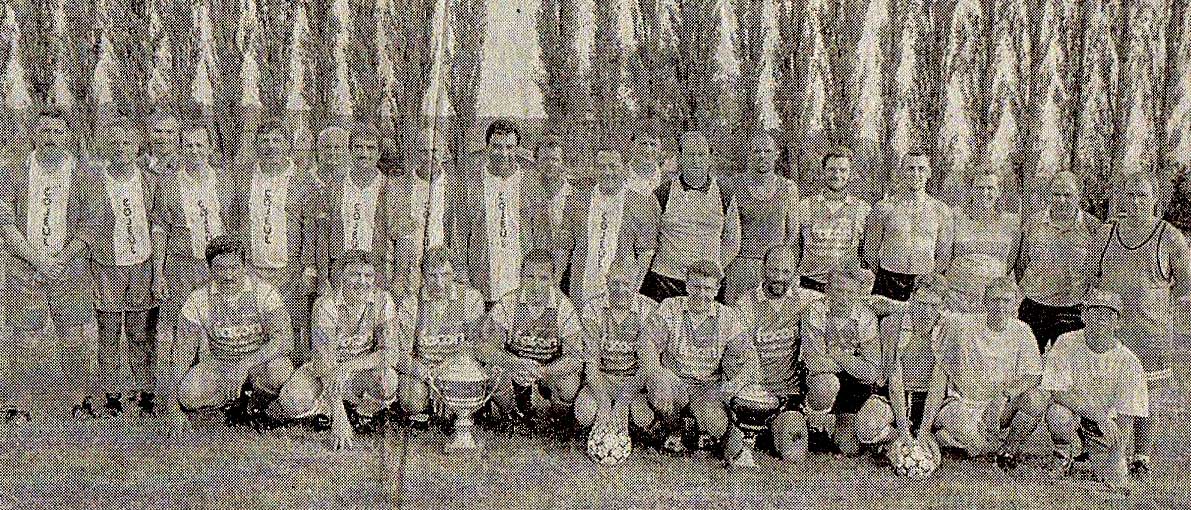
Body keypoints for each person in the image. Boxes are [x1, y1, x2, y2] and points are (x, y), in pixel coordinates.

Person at [1086, 170, 1191, 474]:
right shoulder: (1106, 233)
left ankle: (1141, 457)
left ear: (1154, 199)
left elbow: (1185, 285)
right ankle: (1107, 451)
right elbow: (1093, 277)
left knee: (1147, 394)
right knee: (1108, 390)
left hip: (1150, 333)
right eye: (1129, 195)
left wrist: (1160, 310)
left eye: (1142, 195)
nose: (1135, 202)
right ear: (1121, 198)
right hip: (1111, 330)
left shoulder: (1169, 236)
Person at [0, 108, 97, 405]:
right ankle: (19, 404)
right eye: (45, 131)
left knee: (74, 336)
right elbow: (5, 223)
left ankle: (79, 402)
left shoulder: (83, 173)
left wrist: (61, 259)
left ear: (67, 136)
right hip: (24, 270)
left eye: (57, 131)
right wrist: (38, 260)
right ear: (35, 134)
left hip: (69, 269)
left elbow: (91, 224)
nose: (50, 137)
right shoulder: (14, 170)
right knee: (24, 338)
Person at [269, 250, 399, 449]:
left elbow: (390, 353)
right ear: (341, 277)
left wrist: (349, 366)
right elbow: (324, 365)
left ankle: (362, 413)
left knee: (387, 379)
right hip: (324, 372)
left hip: (359, 371)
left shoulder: (384, 300)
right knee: (293, 400)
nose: (362, 282)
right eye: (355, 275)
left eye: (368, 275)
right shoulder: (325, 305)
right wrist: (339, 415)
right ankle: (330, 411)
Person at [169, 236, 295, 429]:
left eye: (234, 267)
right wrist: (173, 409)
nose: (228, 276)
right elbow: (181, 355)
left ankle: (256, 402)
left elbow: (285, 340)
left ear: (244, 266)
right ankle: (233, 400)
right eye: (220, 268)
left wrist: (245, 365)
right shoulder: (197, 300)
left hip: (258, 364)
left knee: (280, 370)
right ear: (209, 268)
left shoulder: (265, 292)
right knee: (188, 394)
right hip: (222, 365)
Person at [918, 278, 1048, 462]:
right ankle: (959, 440)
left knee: (1035, 400)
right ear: (985, 301)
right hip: (961, 404)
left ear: (1015, 304)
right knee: (977, 444)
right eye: (995, 300)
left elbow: (1033, 375)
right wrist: (924, 428)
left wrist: (1006, 394)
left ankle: (1008, 448)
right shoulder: (963, 327)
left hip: (997, 406)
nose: (1000, 307)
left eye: (1006, 301)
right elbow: (940, 373)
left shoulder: (1022, 331)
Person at [640, 259, 758, 460]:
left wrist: (736, 383)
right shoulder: (670, 307)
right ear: (687, 285)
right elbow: (647, 344)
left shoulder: (727, 316)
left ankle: (697, 428)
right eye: (696, 286)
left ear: (717, 290)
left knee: (716, 424)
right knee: (662, 389)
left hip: (707, 386)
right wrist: (657, 372)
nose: (701, 294)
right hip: (675, 381)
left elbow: (750, 356)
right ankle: (673, 428)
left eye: (707, 288)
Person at [1039, 290, 1147, 491]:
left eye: (1108, 314)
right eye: (1095, 312)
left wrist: (1117, 458)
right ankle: (1063, 452)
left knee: (1110, 477)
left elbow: (1126, 416)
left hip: (1105, 426)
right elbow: (1057, 391)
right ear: (1084, 316)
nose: (1101, 319)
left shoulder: (1129, 362)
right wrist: (1094, 413)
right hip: (1075, 414)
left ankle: (1094, 452)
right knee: (1057, 414)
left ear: (1118, 323)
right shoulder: (1066, 342)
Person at [84, 120, 158, 399]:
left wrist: (157, 272)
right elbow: (88, 226)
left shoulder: (149, 180)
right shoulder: (95, 181)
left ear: (136, 146)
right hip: (107, 267)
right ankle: (110, 395)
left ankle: (145, 391)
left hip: (141, 266)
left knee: (140, 334)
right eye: (114, 143)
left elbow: (156, 225)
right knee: (109, 333)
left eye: (126, 143)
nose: (120, 148)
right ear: (106, 146)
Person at [232, 119, 312, 359]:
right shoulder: (243, 178)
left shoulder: (303, 180)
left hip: (289, 273)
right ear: (256, 145)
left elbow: (310, 230)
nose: (271, 146)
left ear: (288, 145)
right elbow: (233, 220)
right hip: (252, 271)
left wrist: (308, 268)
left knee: (290, 332)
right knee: (253, 331)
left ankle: (290, 377)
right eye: (265, 140)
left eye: (277, 140)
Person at [733, 245, 822, 461]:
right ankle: (751, 432)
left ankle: (777, 431)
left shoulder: (806, 300)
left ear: (795, 272)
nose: (779, 277)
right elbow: (738, 352)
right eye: (774, 270)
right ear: (763, 268)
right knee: (733, 449)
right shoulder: (745, 304)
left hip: (787, 394)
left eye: (786, 271)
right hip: (752, 393)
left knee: (794, 454)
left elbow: (844, 300)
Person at [478, 249, 583, 428]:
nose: (536, 284)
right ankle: (513, 416)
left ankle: (556, 420)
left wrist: (543, 371)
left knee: (570, 383)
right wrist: (513, 362)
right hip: (514, 369)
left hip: (548, 370)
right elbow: (485, 348)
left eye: (543, 278)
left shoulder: (564, 307)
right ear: (521, 277)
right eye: (530, 277)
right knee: (492, 372)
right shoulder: (508, 303)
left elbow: (575, 358)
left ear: (553, 279)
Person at [851, 275, 948, 452]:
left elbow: (938, 385)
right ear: (911, 299)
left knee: (965, 429)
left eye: (933, 306)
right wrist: (902, 432)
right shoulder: (892, 323)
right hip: (895, 396)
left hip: (928, 400)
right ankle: (897, 441)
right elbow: (895, 381)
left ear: (941, 306)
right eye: (921, 304)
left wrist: (925, 429)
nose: (926, 313)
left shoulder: (947, 330)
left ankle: (927, 439)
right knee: (865, 427)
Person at [641, 131, 741, 302]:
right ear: (680, 158)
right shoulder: (662, 193)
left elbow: (733, 242)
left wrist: (713, 269)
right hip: (665, 282)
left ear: (709, 158)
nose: (696, 161)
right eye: (690, 155)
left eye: (701, 155)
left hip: (706, 285)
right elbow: (648, 241)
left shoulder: (724, 194)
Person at [394, 246, 485, 424]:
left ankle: (459, 409)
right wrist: (428, 375)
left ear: (454, 274)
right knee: (411, 396)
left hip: (459, 368)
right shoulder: (411, 303)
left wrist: (449, 377)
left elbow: (476, 348)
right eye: (432, 275)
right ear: (422, 275)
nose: (439, 283)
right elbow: (400, 355)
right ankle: (425, 410)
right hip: (426, 370)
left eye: (445, 275)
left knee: (471, 384)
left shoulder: (471, 298)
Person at [799, 259, 882, 455]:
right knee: (827, 384)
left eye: (850, 292)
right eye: (838, 290)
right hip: (822, 379)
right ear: (827, 289)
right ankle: (813, 423)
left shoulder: (865, 317)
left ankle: (839, 424)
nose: (843, 298)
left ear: (858, 293)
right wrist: (854, 361)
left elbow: (871, 372)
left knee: (850, 448)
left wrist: (837, 354)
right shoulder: (815, 311)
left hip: (853, 382)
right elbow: (815, 362)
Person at [558, 148, 659, 305]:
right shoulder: (576, 200)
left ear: (624, 168)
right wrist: (556, 282)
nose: (607, 172)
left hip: (620, 291)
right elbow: (564, 248)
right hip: (581, 288)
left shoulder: (641, 203)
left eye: (613, 166)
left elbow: (646, 253)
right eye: (601, 167)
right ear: (594, 169)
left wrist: (633, 290)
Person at [451, 119, 535, 306]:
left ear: (516, 149)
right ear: (487, 147)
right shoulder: (472, 183)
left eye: (509, 147)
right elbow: (461, 233)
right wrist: (462, 273)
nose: (503, 153)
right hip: (482, 284)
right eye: (497, 147)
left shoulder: (529, 182)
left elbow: (539, 233)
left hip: (520, 285)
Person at [1015, 171, 1098, 353]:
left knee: (1068, 366)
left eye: (1068, 195)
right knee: (1028, 362)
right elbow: (1020, 264)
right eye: (1056, 194)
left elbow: (1098, 269)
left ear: (1079, 195)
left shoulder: (1093, 227)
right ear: (1048, 194)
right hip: (1035, 307)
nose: (1061, 200)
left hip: (1073, 310)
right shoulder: (1032, 224)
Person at [573, 260, 659, 433]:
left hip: (633, 380)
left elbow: (647, 366)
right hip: (603, 377)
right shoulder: (593, 308)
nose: (620, 289)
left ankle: (631, 426)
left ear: (635, 282)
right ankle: (599, 426)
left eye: (626, 284)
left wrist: (624, 400)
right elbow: (591, 365)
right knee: (584, 413)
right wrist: (604, 401)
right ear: (607, 280)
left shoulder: (649, 309)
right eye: (615, 283)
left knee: (643, 417)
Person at [307, 123, 392, 295]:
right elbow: (323, 235)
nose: (364, 153)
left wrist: (398, 279)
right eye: (358, 147)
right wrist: (322, 278)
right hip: (339, 272)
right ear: (350, 150)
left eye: (370, 148)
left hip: (374, 273)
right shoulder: (334, 185)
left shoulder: (389, 188)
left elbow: (402, 237)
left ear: (379, 153)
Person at [862, 152, 953, 301]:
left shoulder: (941, 211)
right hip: (888, 282)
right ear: (901, 172)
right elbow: (870, 251)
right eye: (910, 168)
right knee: (885, 317)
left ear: (929, 172)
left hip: (925, 284)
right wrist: (886, 275)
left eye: (921, 168)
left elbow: (944, 255)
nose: (916, 174)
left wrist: (928, 282)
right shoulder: (883, 208)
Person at [721, 132, 798, 305]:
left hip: (773, 269)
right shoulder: (733, 185)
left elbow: (792, 232)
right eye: (757, 151)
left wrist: (780, 261)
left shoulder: (788, 188)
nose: (762, 155)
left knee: (771, 315)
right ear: (749, 153)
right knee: (737, 315)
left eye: (767, 151)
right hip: (740, 266)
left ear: (776, 154)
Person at [297, 125, 352, 359]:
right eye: (327, 147)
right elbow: (308, 229)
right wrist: (313, 269)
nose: (332, 152)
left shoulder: (351, 180)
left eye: (338, 147)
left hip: (343, 258)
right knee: (313, 307)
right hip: (314, 257)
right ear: (318, 151)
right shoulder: (308, 181)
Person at [389, 127, 455, 297]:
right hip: (408, 270)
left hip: (440, 272)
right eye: (424, 151)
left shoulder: (452, 186)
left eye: (434, 151)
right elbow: (392, 230)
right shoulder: (400, 185)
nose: (429, 156)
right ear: (416, 153)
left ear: (444, 152)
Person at [796, 148, 871, 293]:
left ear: (850, 173)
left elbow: (868, 252)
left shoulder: (863, 209)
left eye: (843, 170)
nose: (837, 175)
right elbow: (795, 246)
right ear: (823, 171)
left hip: (845, 287)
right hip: (809, 284)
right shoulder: (804, 206)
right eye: (831, 169)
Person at [944, 172, 1020, 312]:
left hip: (994, 301)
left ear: (999, 191)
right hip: (956, 298)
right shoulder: (955, 218)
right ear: (971, 190)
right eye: (979, 187)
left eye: (990, 188)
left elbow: (1010, 263)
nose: (985, 193)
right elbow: (944, 257)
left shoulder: (1010, 223)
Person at [625, 128, 674, 196]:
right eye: (644, 143)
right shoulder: (624, 175)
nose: (648, 149)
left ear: (659, 148)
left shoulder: (665, 178)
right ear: (633, 146)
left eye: (653, 144)